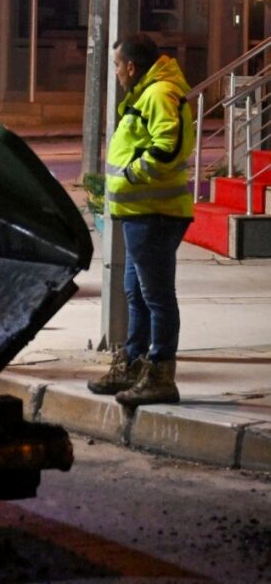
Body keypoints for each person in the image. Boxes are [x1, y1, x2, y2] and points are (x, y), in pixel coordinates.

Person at [87, 33, 195, 407]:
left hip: (155, 215)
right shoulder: (147, 93)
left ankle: (161, 374)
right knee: (136, 292)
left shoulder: (159, 93)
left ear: (131, 66)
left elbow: (167, 146)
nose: (116, 73)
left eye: (117, 65)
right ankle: (133, 364)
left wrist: (131, 174)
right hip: (140, 215)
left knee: (156, 296)